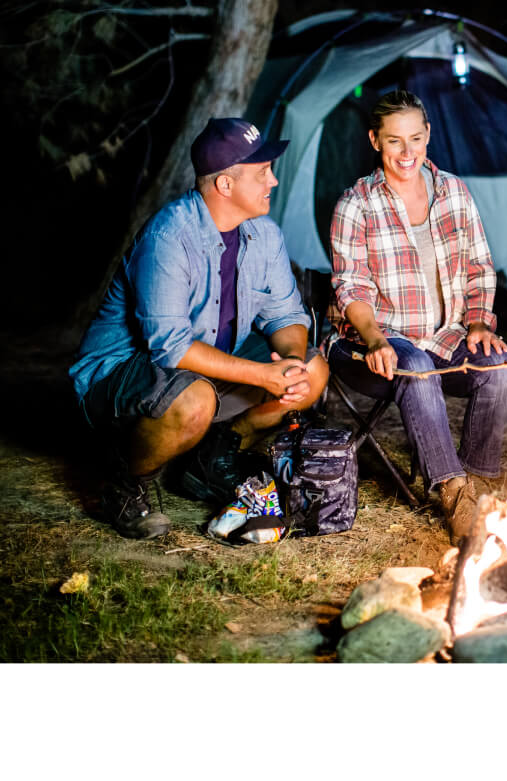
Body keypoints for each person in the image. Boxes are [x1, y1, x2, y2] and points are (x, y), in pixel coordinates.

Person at [70, 117, 329, 539]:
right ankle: (121, 484)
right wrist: (263, 375)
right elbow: (170, 349)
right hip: (120, 372)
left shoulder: (264, 235)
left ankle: (210, 457)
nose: (274, 181)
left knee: (314, 373)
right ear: (225, 185)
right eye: (263, 172)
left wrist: (292, 365)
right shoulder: (169, 237)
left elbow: (286, 316)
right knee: (193, 400)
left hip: (207, 367)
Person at [328, 90, 507, 542]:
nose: (407, 152)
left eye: (416, 138)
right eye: (395, 141)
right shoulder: (356, 204)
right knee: (413, 366)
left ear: (429, 134)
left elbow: (479, 266)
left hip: (446, 336)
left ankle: (479, 481)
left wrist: (477, 321)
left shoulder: (454, 191)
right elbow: (350, 286)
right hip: (378, 343)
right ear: (375, 140)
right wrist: (374, 338)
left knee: (501, 369)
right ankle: (455, 495)